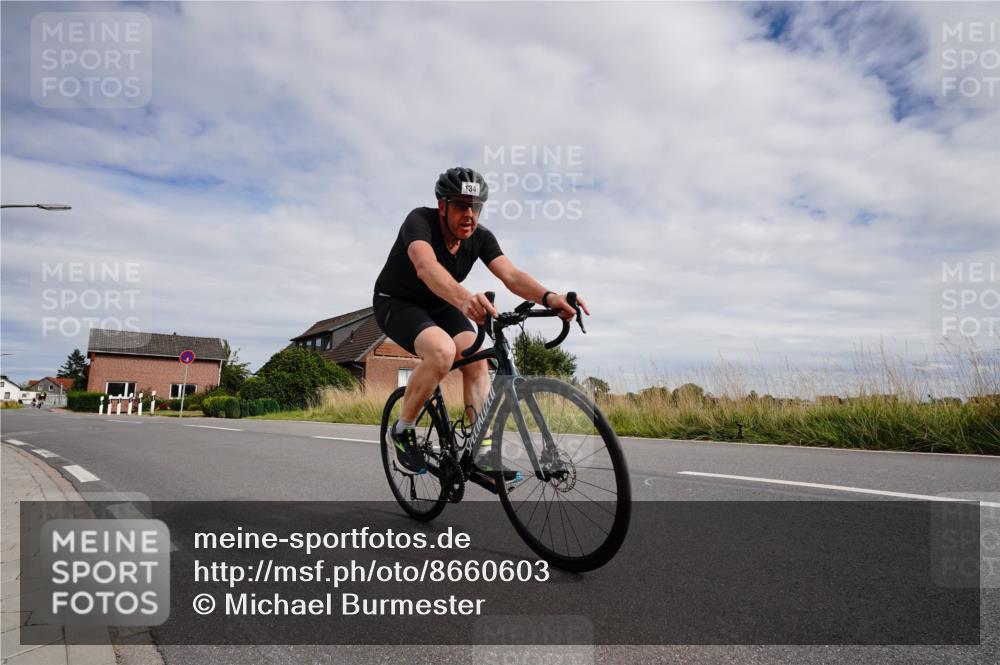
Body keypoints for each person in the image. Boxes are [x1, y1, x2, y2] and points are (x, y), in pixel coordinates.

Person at [373, 167, 590, 474]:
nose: (470, 214)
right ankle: (403, 430)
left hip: (441, 303)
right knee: (442, 351)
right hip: (396, 301)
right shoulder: (419, 221)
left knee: (477, 360)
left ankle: (480, 453)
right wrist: (464, 299)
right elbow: (426, 267)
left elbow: (512, 275)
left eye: (476, 206)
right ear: (442, 205)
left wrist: (550, 297)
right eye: (462, 205)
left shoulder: (480, 237)